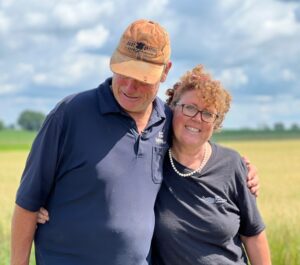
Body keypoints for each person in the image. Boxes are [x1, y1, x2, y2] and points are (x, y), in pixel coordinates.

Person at [11, 19, 258, 265]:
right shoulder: (69, 115)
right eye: (125, 73)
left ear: (165, 72)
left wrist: (242, 170)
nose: (130, 86)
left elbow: (200, 153)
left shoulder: (169, 121)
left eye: (143, 78)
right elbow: (28, 203)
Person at [151, 65, 271, 265]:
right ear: (172, 107)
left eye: (208, 114)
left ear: (216, 123)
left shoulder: (232, 164)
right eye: (189, 108)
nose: (197, 119)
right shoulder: (153, 162)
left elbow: (253, 235)